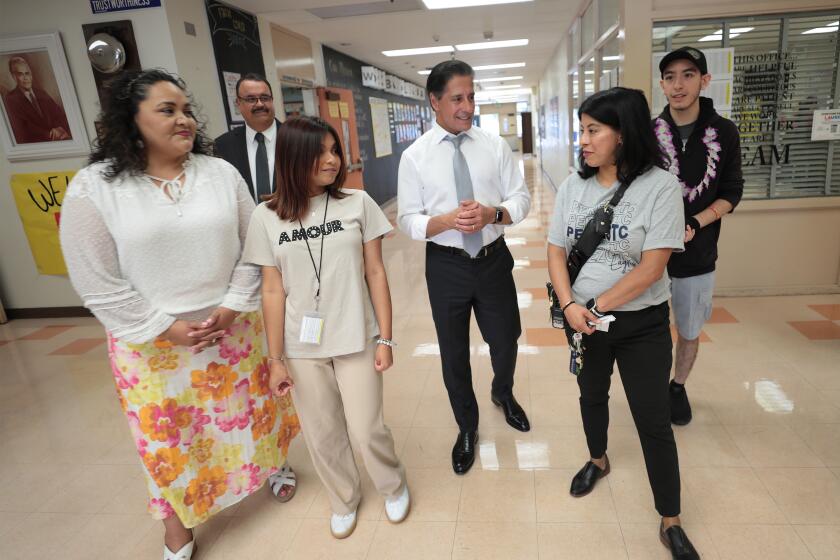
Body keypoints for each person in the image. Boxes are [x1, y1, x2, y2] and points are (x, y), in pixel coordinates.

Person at [59, 69, 300, 560]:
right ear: (131, 119)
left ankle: (273, 465)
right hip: (151, 348)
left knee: (256, 413)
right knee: (166, 441)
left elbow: (251, 249)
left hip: (233, 329)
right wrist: (165, 328)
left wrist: (232, 306)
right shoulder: (95, 188)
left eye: (187, 109)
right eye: (167, 110)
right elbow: (96, 281)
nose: (184, 119)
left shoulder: (219, 174)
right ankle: (176, 529)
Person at [547, 87, 699, 560]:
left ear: (623, 132)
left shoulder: (661, 187)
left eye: (594, 130)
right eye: (582, 130)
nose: (584, 141)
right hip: (584, 322)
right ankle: (598, 459)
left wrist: (593, 307)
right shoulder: (574, 185)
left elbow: (652, 268)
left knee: (653, 419)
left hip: (640, 324)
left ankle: (670, 519)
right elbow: (554, 249)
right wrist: (571, 304)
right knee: (591, 395)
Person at [242, 115, 409, 539]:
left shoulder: (358, 203)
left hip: (357, 336)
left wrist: (385, 338)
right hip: (301, 348)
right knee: (322, 431)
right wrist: (275, 359)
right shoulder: (266, 217)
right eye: (321, 153)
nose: (333, 160)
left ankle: (392, 484)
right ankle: (344, 497)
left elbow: (375, 272)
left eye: (335, 151)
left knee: (367, 426)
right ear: (294, 156)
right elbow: (272, 292)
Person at [397, 59, 532, 476]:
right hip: (446, 267)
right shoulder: (415, 157)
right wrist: (446, 221)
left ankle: (502, 393)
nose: (467, 107)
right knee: (454, 354)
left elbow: (521, 199)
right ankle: (467, 427)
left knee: (506, 339)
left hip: (492, 262)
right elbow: (407, 219)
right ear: (434, 101)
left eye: (471, 97)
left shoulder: (494, 146)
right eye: (457, 98)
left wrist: (494, 214)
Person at [655, 47, 744, 425]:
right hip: (652, 256)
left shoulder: (724, 132)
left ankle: (677, 386)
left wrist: (696, 222)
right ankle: (652, 387)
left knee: (689, 329)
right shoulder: (648, 132)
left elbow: (732, 191)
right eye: (671, 76)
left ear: (704, 80)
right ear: (662, 84)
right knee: (651, 329)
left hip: (698, 254)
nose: (679, 84)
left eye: (688, 75)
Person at [214, 73, 281, 201]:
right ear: (238, 103)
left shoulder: (297, 137)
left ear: (272, 100)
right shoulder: (223, 146)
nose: (260, 104)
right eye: (251, 99)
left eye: (265, 98)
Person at [3, 55, 71, 143]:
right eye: (20, 74)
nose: (26, 78)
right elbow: (24, 129)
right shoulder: (11, 99)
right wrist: (50, 134)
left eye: (27, 73)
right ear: (14, 77)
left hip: (59, 140)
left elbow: (59, 115)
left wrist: (59, 129)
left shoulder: (41, 93)